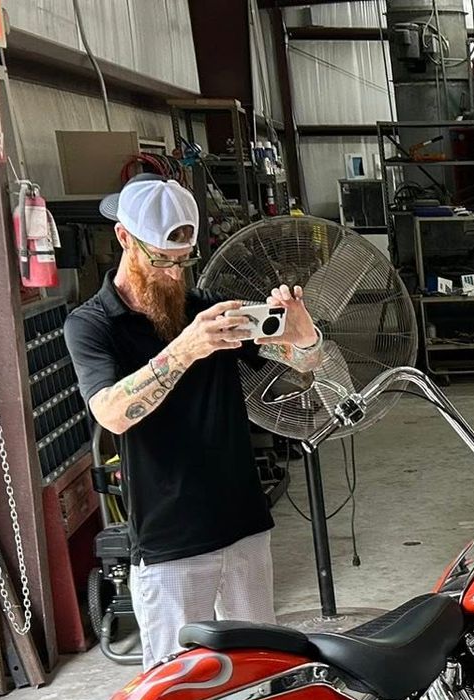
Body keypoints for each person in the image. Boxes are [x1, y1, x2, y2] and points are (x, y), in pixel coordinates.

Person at [64, 176, 327, 670]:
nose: (172, 273)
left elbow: (302, 361)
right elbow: (111, 414)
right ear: (125, 238)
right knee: (176, 690)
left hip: (244, 525)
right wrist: (188, 348)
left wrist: (304, 334)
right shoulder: (92, 324)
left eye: (182, 260)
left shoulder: (207, 307)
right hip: (170, 543)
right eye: (161, 259)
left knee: (261, 669)